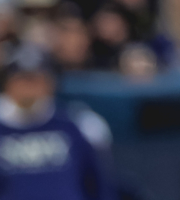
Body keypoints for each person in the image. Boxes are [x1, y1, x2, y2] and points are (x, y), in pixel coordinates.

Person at [0, 44, 115, 200]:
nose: (29, 89)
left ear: (50, 84)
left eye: (36, 81)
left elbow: (97, 184)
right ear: (8, 85)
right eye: (22, 80)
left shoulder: (77, 125)